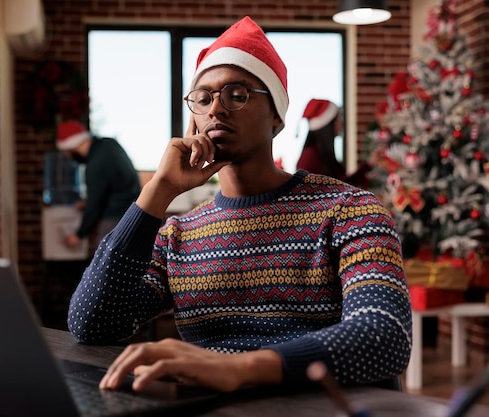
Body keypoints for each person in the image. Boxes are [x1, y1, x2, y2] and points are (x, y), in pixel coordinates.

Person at [68, 16, 411, 394]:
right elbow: (91, 324)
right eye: (202, 97)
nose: (215, 109)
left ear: (277, 116)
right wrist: (157, 193)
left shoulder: (351, 210)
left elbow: (385, 334)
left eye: (236, 94)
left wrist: (240, 368)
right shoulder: (179, 235)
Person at [55, 120, 141, 253]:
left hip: (116, 219)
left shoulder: (95, 164)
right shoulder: (109, 144)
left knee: (102, 265)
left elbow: (95, 205)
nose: (70, 159)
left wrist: (78, 235)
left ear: (71, 147)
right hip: (135, 212)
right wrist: (86, 203)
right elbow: (112, 187)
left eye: (67, 154)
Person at [296, 98, 386, 189]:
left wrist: (369, 164)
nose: (341, 123)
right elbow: (340, 189)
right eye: (339, 118)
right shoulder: (310, 158)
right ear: (329, 125)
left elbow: (341, 185)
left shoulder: (319, 155)